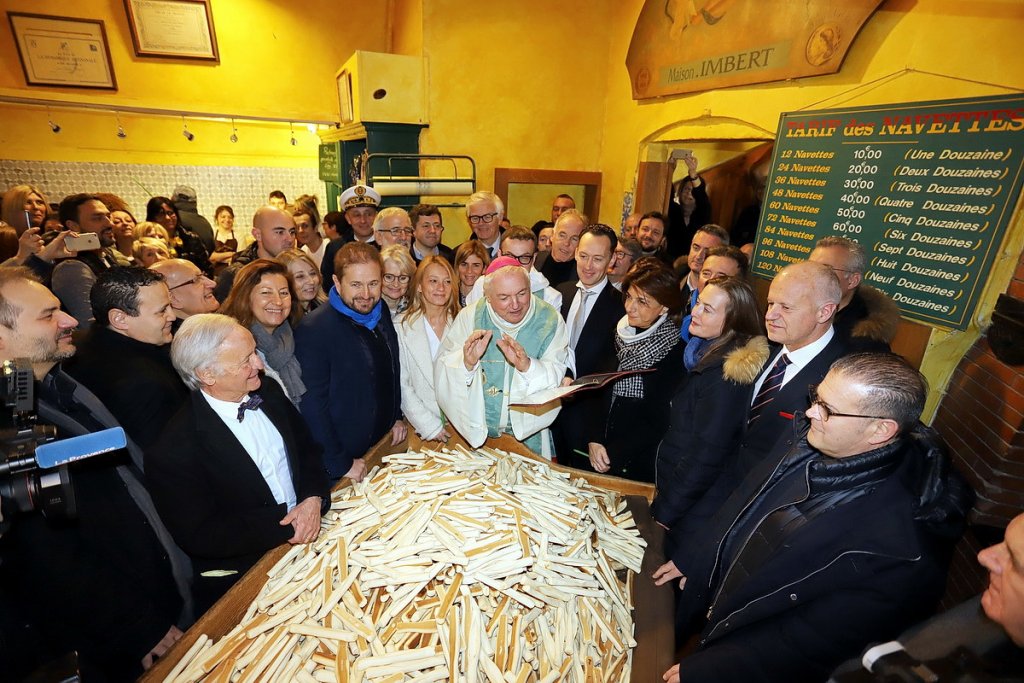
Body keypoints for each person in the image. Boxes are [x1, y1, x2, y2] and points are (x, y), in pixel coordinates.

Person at [655, 353, 972, 683]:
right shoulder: (810, 438)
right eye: (816, 396)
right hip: (720, 621)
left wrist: (716, 668)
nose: (810, 411)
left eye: (828, 409)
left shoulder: (900, 549)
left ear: (880, 430)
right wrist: (704, 559)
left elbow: (815, 643)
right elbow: (747, 501)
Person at [0, 268, 188, 681]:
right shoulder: (10, 426)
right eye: (49, 315)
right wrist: (136, 627)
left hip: (154, 586)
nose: (69, 320)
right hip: (121, 629)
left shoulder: (48, 389)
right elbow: (47, 553)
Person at [147, 314, 330, 615]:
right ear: (207, 374)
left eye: (255, 352)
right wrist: (287, 525)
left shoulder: (267, 391)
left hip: (315, 542)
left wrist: (312, 498)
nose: (259, 364)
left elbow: (307, 451)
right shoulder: (173, 450)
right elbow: (201, 535)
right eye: (246, 359)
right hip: (254, 578)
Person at [651, 277, 768, 528]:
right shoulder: (702, 350)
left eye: (708, 309)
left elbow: (707, 454)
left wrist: (666, 511)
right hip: (679, 490)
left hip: (691, 508)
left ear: (734, 321)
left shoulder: (726, 376)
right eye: (698, 303)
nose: (695, 312)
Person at [295, 242, 405, 481]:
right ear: (336, 282)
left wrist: (396, 415)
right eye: (356, 284)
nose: (366, 295)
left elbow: (391, 368)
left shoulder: (380, 308)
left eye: (373, 283)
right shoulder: (314, 329)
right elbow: (312, 406)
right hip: (346, 463)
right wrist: (339, 462)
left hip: (381, 447)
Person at [435, 264, 569, 458]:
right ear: (488, 297)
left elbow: (556, 371)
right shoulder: (471, 316)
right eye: (504, 298)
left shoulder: (549, 320)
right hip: (477, 436)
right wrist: (467, 363)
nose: (515, 304)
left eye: (522, 293)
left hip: (529, 436)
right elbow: (444, 368)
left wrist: (528, 367)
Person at [64, 266, 185, 451]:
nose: (172, 316)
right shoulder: (146, 383)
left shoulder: (76, 344)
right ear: (120, 319)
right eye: (162, 311)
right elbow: (165, 457)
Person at [586, 259, 684, 481]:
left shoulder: (674, 351)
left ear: (665, 306)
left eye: (642, 301)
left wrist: (614, 453)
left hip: (636, 462)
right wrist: (594, 439)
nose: (630, 307)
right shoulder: (617, 333)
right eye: (629, 296)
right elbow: (595, 389)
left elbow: (659, 420)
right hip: (597, 449)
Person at [552, 225, 625, 465]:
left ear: (612, 259)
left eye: (597, 259)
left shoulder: (622, 308)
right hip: (551, 412)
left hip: (587, 420)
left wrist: (597, 434)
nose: (588, 266)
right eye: (583, 256)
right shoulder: (561, 294)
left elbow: (611, 376)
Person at [219, 259, 305, 404]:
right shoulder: (231, 348)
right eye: (266, 293)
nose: (278, 301)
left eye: (284, 293)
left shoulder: (290, 335)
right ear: (245, 297)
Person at [395, 256, 460, 441]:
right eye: (433, 281)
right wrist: (430, 426)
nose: (441, 288)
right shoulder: (401, 326)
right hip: (420, 428)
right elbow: (403, 385)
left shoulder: (461, 322)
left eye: (447, 281)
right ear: (420, 286)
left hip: (460, 425)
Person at [810, 236, 900, 352]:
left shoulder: (866, 342)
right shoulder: (789, 311)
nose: (812, 276)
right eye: (810, 268)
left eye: (826, 270)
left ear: (852, 280)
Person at [51, 193, 120, 330]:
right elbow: (91, 325)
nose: (109, 223)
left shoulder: (107, 256)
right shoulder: (71, 267)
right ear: (73, 226)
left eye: (108, 216)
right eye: (98, 218)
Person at [464, 226, 562, 310]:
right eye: (509, 256)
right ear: (499, 255)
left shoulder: (550, 298)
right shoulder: (481, 285)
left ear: (534, 258)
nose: (515, 264)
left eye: (524, 257)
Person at [214, 205, 297, 301]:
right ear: (257, 235)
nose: (290, 239)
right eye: (279, 232)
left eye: (292, 232)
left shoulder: (296, 268)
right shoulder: (236, 276)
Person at [321, 184, 380, 291]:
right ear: (348, 219)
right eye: (356, 215)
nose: (363, 220)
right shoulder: (335, 248)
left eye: (368, 214)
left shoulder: (386, 246)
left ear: (376, 216)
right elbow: (328, 287)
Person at [145, 196, 212, 275]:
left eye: (170, 213)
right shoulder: (149, 242)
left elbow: (207, 268)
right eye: (161, 214)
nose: (167, 218)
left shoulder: (190, 238)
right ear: (152, 218)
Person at [150, 258, 219, 332]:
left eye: (203, 275)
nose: (212, 283)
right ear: (174, 299)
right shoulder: (186, 341)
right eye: (196, 280)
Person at [666, 153, 712, 259]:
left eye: (692, 191)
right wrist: (669, 170)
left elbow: (702, 199)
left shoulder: (702, 213)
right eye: (686, 189)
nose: (688, 193)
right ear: (680, 190)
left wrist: (693, 173)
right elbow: (667, 195)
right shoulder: (674, 211)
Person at [679, 224, 730, 316]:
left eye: (707, 252)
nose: (698, 256)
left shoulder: (723, 295)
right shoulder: (673, 279)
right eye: (696, 248)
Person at [533, 209, 586, 288]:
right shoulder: (535, 260)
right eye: (562, 235)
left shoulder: (584, 273)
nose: (566, 243)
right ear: (552, 235)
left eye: (574, 239)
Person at [277, 248, 327, 315]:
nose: (311, 281)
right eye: (300, 276)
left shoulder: (328, 309)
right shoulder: (280, 318)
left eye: (312, 273)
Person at [171, 185, 216, 255]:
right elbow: (211, 248)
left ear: (172, 199)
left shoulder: (170, 220)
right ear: (195, 203)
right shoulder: (204, 222)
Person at [465, 190, 505, 259]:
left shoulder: (515, 252)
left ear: (500, 218)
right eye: (475, 218)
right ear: (469, 221)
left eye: (487, 217)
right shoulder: (460, 256)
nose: (481, 223)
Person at [380, 244, 416, 316]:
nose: (396, 284)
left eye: (402, 278)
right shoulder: (368, 308)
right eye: (389, 277)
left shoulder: (415, 309)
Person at [454, 240, 490, 307]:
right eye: (464, 264)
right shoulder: (449, 294)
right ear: (457, 266)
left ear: (484, 268)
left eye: (476, 265)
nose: (469, 271)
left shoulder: (489, 297)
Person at [293, 202, 326, 268]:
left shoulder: (328, 247)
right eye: (296, 227)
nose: (300, 231)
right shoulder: (304, 251)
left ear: (316, 228)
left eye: (305, 226)